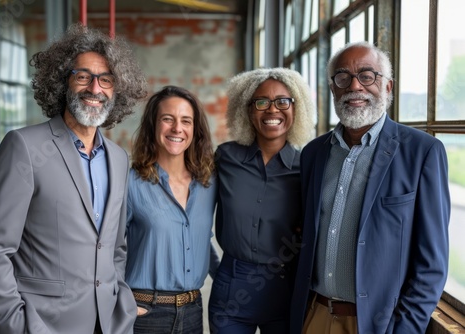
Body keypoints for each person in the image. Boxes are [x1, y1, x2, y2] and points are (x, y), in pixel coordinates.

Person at [0, 23, 148, 334]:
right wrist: (11, 324)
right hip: (43, 325)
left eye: (106, 80)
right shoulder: (24, 148)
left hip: (109, 324)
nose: (95, 89)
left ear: (116, 89)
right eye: (83, 76)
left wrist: (119, 301)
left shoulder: (119, 158)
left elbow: (116, 248)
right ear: (61, 82)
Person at [290, 41, 450, 334]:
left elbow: (432, 263)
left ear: (387, 87)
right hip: (314, 315)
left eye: (367, 76)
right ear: (333, 88)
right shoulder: (313, 153)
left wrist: (406, 329)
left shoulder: (423, 152)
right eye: (343, 77)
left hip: (377, 324)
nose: (355, 86)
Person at [208, 68, 316, 333]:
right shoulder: (226, 158)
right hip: (231, 286)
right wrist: (212, 267)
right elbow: (194, 215)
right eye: (261, 102)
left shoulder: (308, 165)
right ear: (247, 109)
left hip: (286, 290)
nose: (272, 110)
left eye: (283, 101)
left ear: (296, 108)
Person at [125, 85, 217, 334]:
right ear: (153, 126)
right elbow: (107, 249)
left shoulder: (209, 184)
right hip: (144, 313)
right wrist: (118, 299)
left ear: (194, 129)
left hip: (193, 310)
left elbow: (199, 241)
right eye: (168, 119)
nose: (177, 128)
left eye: (186, 121)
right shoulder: (130, 183)